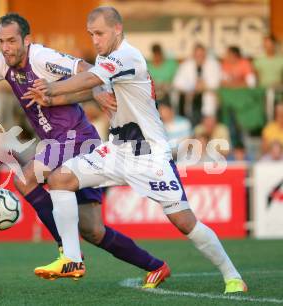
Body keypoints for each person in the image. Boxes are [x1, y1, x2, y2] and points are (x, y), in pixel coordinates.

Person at [0, 13, 170, 287]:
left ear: (27, 39)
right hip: (58, 143)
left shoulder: (42, 57)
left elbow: (85, 68)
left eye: (12, 41)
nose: (6, 47)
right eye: (1, 41)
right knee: (92, 230)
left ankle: (67, 253)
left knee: (25, 178)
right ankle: (156, 266)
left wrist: (93, 92)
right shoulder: (0, 63)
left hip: (75, 138)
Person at [25, 7, 247, 294]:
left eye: (100, 33)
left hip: (148, 154)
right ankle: (71, 258)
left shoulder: (127, 55)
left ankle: (232, 276)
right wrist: (54, 99)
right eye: (91, 34)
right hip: (116, 150)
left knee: (184, 222)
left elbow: (90, 80)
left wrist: (53, 89)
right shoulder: (107, 59)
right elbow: (92, 87)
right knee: (59, 180)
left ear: (118, 29)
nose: (95, 40)